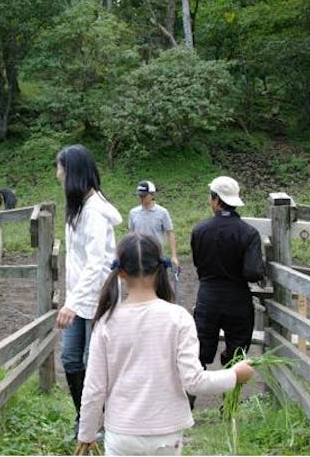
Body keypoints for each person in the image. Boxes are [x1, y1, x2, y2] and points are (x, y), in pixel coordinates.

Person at [77, 232, 254, 455]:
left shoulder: (106, 323)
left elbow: (94, 389)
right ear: (161, 268)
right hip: (167, 435)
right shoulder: (178, 318)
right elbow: (195, 382)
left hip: (122, 435)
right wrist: (235, 374)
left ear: (120, 272)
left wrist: (87, 433)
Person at [54, 144, 122, 437]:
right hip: (79, 299)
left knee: (90, 361)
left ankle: (100, 422)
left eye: (60, 168)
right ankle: (85, 417)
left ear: (72, 172)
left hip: (97, 299)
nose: (57, 174)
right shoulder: (79, 207)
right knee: (70, 358)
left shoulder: (94, 212)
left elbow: (96, 264)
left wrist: (72, 303)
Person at [191, 176, 265, 372]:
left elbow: (198, 264)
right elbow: (253, 272)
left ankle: (190, 399)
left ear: (216, 199)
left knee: (199, 355)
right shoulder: (249, 233)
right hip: (237, 299)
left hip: (208, 297)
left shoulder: (199, 231)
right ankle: (230, 401)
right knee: (236, 357)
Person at [128, 180, 179, 269]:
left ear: (152, 195)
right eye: (140, 195)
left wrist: (174, 256)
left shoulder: (162, 212)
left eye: (144, 195)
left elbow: (170, 233)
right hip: (139, 256)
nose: (141, 198)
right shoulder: (133, 213)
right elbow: (131, 234)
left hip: (157, 256)